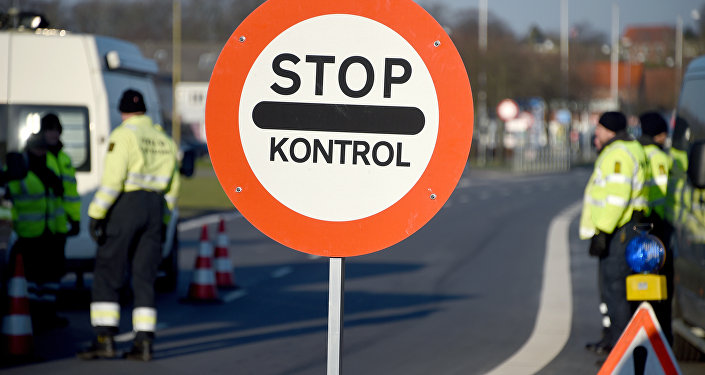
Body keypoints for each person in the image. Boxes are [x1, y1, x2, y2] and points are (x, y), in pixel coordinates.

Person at [78, 89, 180, 361]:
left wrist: (97, 213)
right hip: (155, 209)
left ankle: (104, 339)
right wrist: (164, 218)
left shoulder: (123, 135)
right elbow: (173, 188)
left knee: (108, 272)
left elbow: (113, 181)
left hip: (127, 207)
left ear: (123, 112)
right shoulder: (164, 139)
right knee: (144, 277)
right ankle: (144, 343)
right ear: (145, 111)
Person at [580, 111, 649, 354]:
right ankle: (614, 340)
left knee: (615, 288)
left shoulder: (618, 154)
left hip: (618, 230)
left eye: (599, 127)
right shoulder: (619, 150)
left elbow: (616, 198)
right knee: (612, 287)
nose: (596, 132)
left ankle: (621, 348)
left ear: (609, 130)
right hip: (622, 228)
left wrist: (602, 232)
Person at [7, 133, 67, 331]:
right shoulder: (21, 169)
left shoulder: (47, 169)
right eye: (38, 149)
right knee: (32, 279)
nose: (41, 152)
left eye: (43, 149)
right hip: (28, 234)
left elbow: (55, 199)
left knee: (50, 277)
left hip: (48, 232)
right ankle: (33, 315)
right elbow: (12, 194)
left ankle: (47, 314)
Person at [637, 111, 673, 344]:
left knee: (640, 282)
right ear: (660, 135)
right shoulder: (659, 158)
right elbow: (662, 193)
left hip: (640, 224)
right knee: (660, 284)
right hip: (658, 226)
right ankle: (659, 334)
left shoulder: (638, 152)